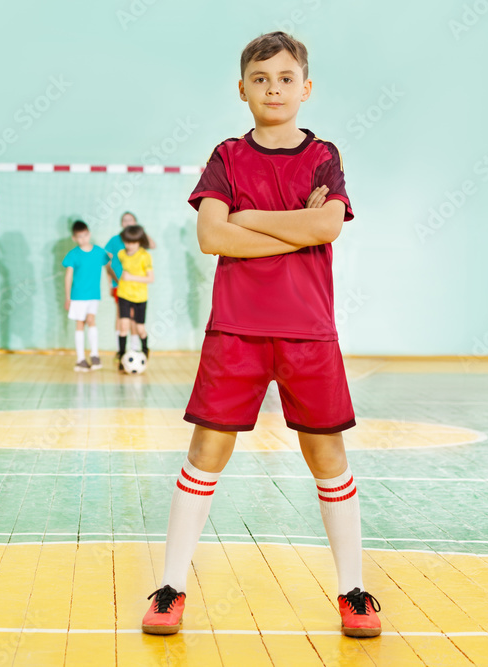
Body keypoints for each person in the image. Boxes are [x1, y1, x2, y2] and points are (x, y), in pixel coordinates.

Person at [141, 31, 381, 638]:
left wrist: (251, 217)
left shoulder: (324, 155)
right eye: (260, 78)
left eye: (284, 77)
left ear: (306, 86)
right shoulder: (226, 155)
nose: (273, 88)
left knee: (327, 456)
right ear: (242, 87)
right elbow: (212, 236)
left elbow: (329, 226)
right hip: (237, 329)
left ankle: (353, 591)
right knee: (206, 453)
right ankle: (170, 587)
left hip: (308, 330)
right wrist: (296, 227)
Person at [105, 212, 156, 351]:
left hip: (138, 292)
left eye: (131, 220)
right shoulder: (116, 243)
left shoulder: (141, 250)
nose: (127, 223)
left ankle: (135, 349)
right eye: (125, 220)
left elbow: (152, 245)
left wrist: (141, 230)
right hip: (121, 288)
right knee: (122, 320)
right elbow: (107, 262)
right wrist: (111, 281)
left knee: (136, 323)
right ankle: (120, 352)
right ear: (121, 223)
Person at [62, 220, 109, 371]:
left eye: (85, 235)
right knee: (80, 323)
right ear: (74, 238)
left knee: (91, 320)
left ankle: (95, 356)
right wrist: (67, 296)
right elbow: (68, 276)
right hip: (78, 296)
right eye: (79, 237)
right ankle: (80, 359)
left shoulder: (99, 252)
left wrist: (114, 283)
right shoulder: (73, 255)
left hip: (94, 295)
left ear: (89, 234)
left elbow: (109, 268)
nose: (83, 239)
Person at [115, 225, 154, 370]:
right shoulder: (121, 254)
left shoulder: (145, 256)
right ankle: (121, 356)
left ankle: (145, 351)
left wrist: (130, 277)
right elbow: (112, 264)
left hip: (140, 297)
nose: (129, 245)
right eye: (127, 242)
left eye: (133, 242)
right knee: (123, 326)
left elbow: (151, 278)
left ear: (139, 241)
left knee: (140, 329)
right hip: (124, 294)